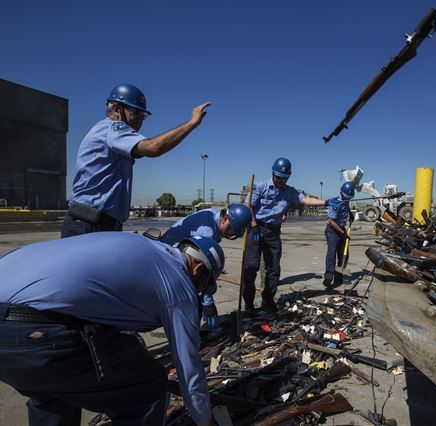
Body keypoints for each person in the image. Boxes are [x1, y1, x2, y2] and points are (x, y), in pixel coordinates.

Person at [0, 232, 224, 426]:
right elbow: (189, 367)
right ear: (198, 268)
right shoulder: (179, 285)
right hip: (33, 331)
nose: (200, 290)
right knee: (147, 388)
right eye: (204, 284)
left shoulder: (149, 249)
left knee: (53, 393)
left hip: (15, 326)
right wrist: (204, 420)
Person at [61, 83, 211, 238]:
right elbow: (154, 147)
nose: (139, 121)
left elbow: (147, 150)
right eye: (136, 113)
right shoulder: (112, 128)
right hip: (88, 225)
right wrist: (191, 123)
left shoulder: (113, 137)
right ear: (116, 110)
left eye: (143, 117)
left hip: (99, 225)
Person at [243, 157, 327, 315]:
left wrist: (326, 202)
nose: (281, 181)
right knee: (251, 268)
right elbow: (247, 207)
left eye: (284, 178)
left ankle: (267, 300)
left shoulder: (290, 191)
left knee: (273, 268)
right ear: (273, 174)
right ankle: (248, 305)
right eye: (278, 177)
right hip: (256, 229)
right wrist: (253, 226)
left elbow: (306, 200)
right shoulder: (260, 186)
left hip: (273, 232)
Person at [160, 203, 252, 326]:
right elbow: (204, 270)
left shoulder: (213, 215)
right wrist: (208, 301)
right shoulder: (206, 232)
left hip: (176, 253)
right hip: (167, 259)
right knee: (188, 301)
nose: (228, 235)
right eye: (229, 230)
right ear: (224, 219)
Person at [323, 182, 355, 287]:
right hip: (332, 230)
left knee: (344, 254)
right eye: (347, 198)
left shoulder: (346, 200)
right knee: (332, 253)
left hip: (341, 228)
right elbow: (331, 221)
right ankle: (328, 278)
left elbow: (345, 207)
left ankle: (338, 276)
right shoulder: (335, 203)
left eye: (349, 198)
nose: (348, 200)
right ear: (341, 193)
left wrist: (350, 213)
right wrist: (342, 233)